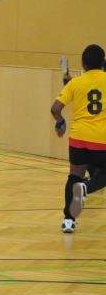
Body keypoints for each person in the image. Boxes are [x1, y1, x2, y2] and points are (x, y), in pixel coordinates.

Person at [51, 44, 106, 233]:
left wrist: (60, 122)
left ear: (83, 63)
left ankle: (68, 221)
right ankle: (86, 188)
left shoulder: (75, 83)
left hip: (78, 138)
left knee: (74, 175)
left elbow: (55, 109)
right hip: (101, 139)